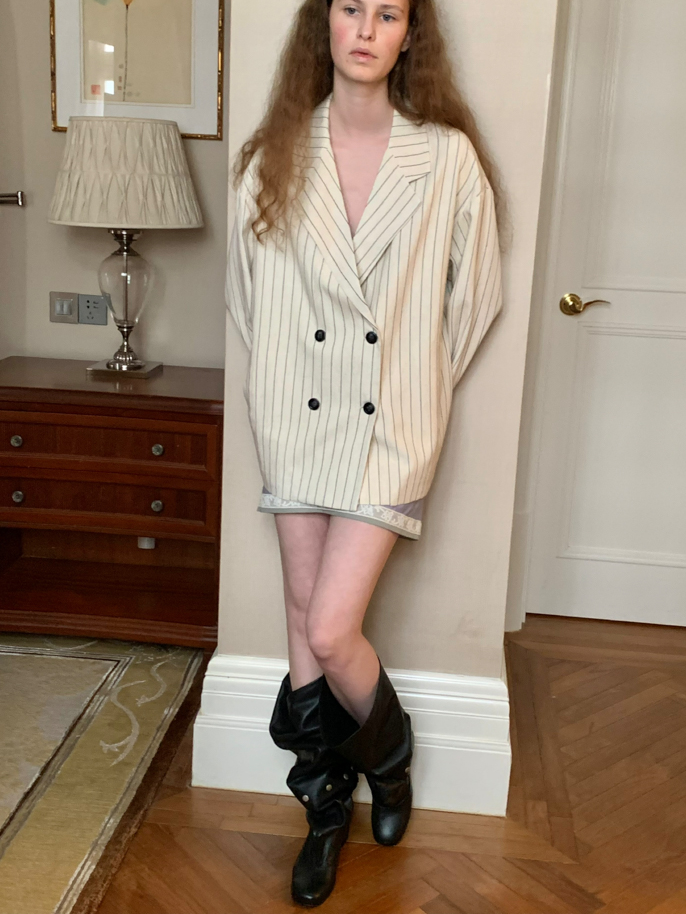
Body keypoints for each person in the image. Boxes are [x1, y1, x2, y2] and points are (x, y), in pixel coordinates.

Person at [225, 0, 505, 906]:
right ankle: (322, 810)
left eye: (388, 13)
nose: (366, 28)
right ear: (326, 22)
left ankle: (389, 757)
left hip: (391, 425)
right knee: (302, 618)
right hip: (295, 418)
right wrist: (278, 385)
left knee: (331, 628)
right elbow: (247, 297)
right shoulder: (273, 153)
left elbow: (475, 299)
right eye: (351, 7)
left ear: (409, 34)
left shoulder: (446, 158)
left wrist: (418, 385)